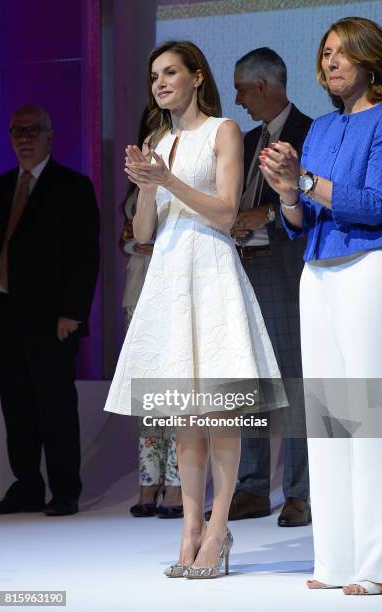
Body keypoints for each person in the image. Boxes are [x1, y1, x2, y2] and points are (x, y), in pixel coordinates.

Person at [104, 40, 285, 578]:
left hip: (211, 268)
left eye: (170, 73)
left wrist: (168, 180)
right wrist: (144, 188)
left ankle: (218, 527)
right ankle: (189, 530)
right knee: (186, 412)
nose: (159, 83)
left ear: (196, 76)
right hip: (169, 275)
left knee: (220, 410)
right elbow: (143, 235)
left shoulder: (222, 132)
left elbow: (227, 211)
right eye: (153, 76)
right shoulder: (158, 140)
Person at [260, 16, 382, 596]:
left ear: (370, 58)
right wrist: (288, 192)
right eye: (325, 54)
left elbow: (374, 203)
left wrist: (303, 181)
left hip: (366, 268)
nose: (331, 63)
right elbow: (298, 221)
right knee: (332, 423)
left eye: (342, 53)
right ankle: (336, 561)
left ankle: (376, 564)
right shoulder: (322, 128)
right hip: (319, 270)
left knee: (369, 421)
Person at [222, 48, 312, 526]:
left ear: (261, 86)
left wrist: (270, 214)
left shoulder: (313, 132)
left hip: (284, 266)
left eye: (240, 88)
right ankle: (253, 487)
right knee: (248, 378)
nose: (236, 99)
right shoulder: (247, 140)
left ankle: (299, 492)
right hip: (241, 268)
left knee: (294, 379)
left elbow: (319, 201)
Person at [0, 104, 100, 516]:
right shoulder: (1, 186)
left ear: (50, 136)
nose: (24, 138)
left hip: (52, 319)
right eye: (16, 131)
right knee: (16, 406)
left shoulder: (72, 187)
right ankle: (26, 485)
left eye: (33, 130)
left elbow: (83, 256)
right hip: (4, 315)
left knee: (54, 406)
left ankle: (64, 489)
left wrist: (73, 311)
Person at [120, 148, 183, 519]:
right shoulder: (139, 177)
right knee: (147, 395)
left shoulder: (187, 167)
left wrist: (147, 241)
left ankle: (176, 484)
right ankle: (148, 479)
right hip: (138, 288)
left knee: (176, 391)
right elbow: (129, 236)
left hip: (174, 286)